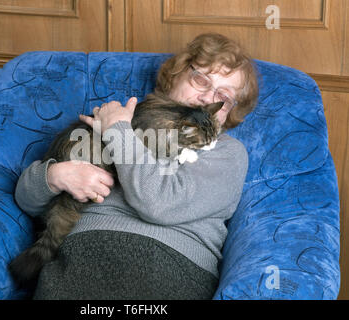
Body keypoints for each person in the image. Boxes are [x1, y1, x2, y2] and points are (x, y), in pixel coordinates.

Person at [14, 33, 259, 299]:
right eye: (201, 80)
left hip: (169, 270)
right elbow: (26, 201)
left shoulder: (226, 152)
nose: (207, 98)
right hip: (77, 263)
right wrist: (55, 176)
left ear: (230, 111)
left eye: (223, 95)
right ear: (174, 77)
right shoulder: (124, 117)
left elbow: (159, 203)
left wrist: (117, 131)